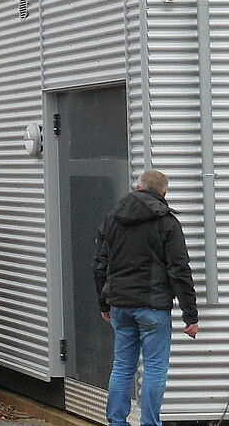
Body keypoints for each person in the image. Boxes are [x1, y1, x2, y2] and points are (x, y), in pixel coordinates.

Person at [93, 170, 198, 426]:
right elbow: (179, 270)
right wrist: (190, 315)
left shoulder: (112, 219)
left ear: (138, 188)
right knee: (153, 369)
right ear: (164, 193)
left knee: (122, 367)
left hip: (120, 305)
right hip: (153, 308)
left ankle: (116, 422)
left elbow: (99, 264)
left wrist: (103, 302)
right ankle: (150, 423)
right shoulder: (167, 222)